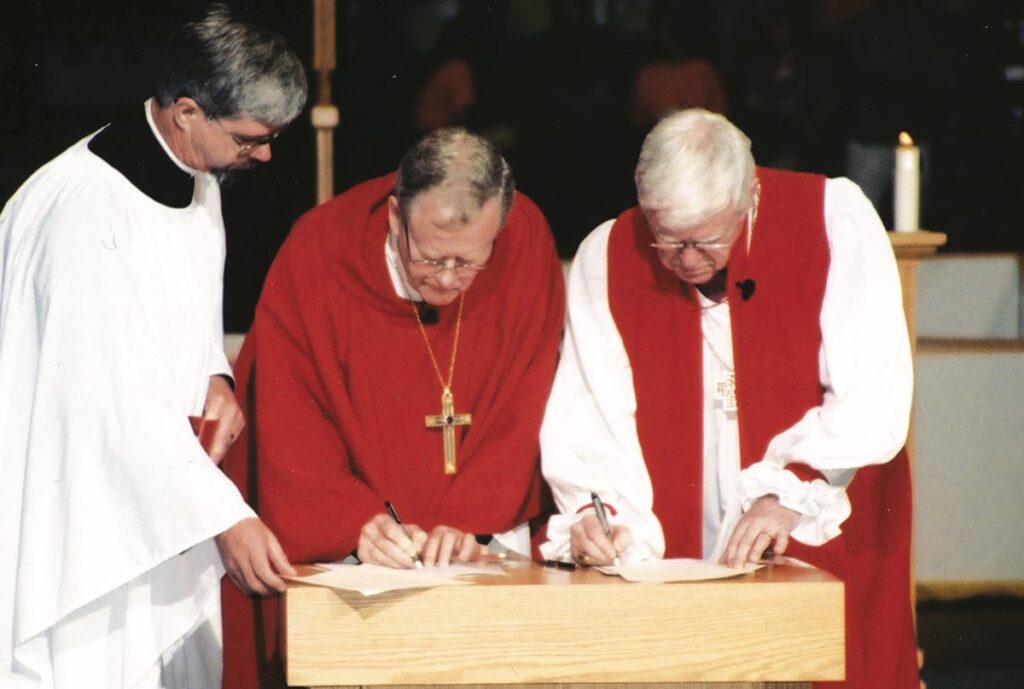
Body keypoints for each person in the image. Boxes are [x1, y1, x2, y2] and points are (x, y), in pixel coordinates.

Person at [540, 109, 918, 689]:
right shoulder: (607, 255)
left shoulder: (832, 219)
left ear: (750, 194)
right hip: (681, 533)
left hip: (821, 513)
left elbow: (871, 388)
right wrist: (602, 515)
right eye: (667, 239)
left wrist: (788, 492)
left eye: (707, 239)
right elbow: (591, 416)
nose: (687, 261)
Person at [0, 5, 307, 688]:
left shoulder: (199, 178)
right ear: (187, 112)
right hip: (88, 509)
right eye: (252, 137)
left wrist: (213, 374)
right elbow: (106, 400)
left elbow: (186, 314)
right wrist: (224, 514)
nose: (264, 155)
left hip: (160, 493)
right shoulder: (83, 212)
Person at [219, 126, 565, 689]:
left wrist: (473, 517)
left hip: (484, 556)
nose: (450, 279)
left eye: (469, 262)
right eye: (431, 259)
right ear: (394, 217)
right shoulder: (319, 249)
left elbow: (530, 395)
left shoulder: (524, 236)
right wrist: (355, 521)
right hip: (362, 573)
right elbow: (290, 414)